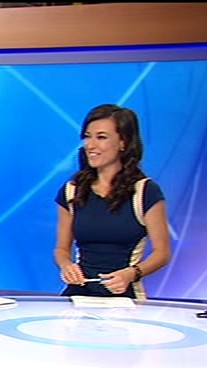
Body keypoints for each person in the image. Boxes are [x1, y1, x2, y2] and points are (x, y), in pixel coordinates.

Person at [54, 104, 172, 299]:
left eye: (101, 137)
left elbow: (162, 253)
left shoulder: (145, 192)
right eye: (87, 137)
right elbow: (61, 249)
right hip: (79, 296)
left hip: (124, 297)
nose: (90, 145)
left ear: (123, 143)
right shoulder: (72, 191)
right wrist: (66, 266)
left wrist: (132, 273)